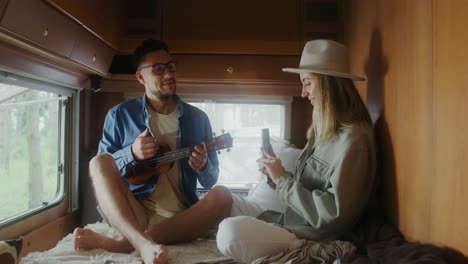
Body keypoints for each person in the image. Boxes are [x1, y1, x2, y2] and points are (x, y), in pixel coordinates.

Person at [216, 39, 377, 263]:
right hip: (291, 223)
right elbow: (309, 190)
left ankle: (300, 252)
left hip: (314, 237)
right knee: (220, 209)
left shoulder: (354, 141)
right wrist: (275, 176)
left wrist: (283, 180)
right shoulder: (323, 133)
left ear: (328, 84)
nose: (302, 93)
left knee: (229, 232)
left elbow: (334, 215)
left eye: (308, 83)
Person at [73, 39, 232, 264]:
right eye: (158, 69)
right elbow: (104, 171)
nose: (168, 74)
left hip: (182, 216)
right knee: (97, 162)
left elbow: (210, 179)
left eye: (171, 66)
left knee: (223, 195)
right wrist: (131, 153)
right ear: (141, 77)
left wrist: (204, 165)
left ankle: (126, 243)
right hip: (133, 212)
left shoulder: (198, 119)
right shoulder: (119, 115)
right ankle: (141, 242)